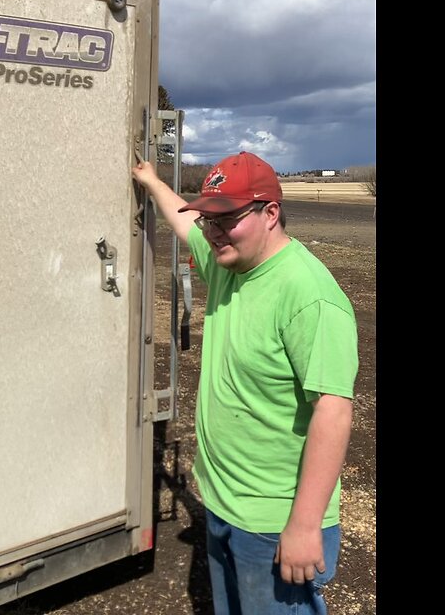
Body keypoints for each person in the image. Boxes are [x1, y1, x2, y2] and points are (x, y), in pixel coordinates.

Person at [132, 151, 358, 615]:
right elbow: (183, 221)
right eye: (209, 220)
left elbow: (333, 410)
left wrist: (304, 524)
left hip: (274, 521)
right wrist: (150, 180)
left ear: (270, 213)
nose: (213, 233)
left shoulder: (309, 295)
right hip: (222, 499)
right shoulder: (226, 260)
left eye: (227, 220)